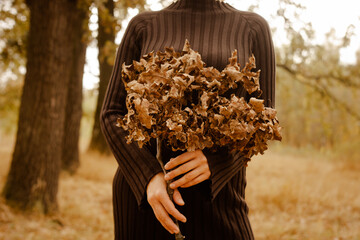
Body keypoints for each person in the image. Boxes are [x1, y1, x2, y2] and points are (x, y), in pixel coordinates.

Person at [100, 0, 275, 239]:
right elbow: (112, 113)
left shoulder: (252, 27)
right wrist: (148, 177)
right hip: (145, 198)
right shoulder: (143, 25)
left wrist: (215, 162)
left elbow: (264, 120)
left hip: (219, 196)